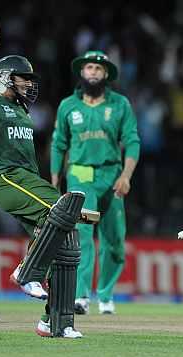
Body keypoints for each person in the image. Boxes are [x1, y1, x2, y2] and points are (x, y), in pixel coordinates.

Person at [0, 55, 85, 338]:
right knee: (61, 207)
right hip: (6, 178)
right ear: (5, 78)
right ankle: (28, 272)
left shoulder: (21, 110)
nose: (29, 83)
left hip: (26, 181)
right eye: (23, 78)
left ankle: (53, 321)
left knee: (66, 239)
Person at [51, 50, 140, 315]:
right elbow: (58, 144)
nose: (93, 72)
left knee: (114, 241)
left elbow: (132, 141)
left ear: (106, 75)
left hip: (112, 175)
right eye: (89, 68)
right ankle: (80, 296)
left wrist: (126, 176)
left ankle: (106, 294)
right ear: (82, 72)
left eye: (98, 69)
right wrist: (55, 180)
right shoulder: (68, 105)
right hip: (80, 175)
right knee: (83, 237)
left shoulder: (120, 104)